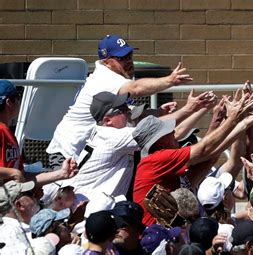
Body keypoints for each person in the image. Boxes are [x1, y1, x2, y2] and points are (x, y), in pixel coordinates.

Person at [46, 34, 193, 168]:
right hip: (67, 152)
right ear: (106, 62)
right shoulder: (104, 78)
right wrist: (170, 80)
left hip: (84, 152)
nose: (129, 60)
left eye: (129, 55)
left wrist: (159, 111)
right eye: (122, 58)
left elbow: (131, 114)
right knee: (67, 196)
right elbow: (135, 88)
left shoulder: (113, 79)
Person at [133, 93, 253, 226]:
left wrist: (224, 120)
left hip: (171, 237)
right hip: (155, 239)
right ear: (160, 141)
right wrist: (235, 120)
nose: (174, 132)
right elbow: (205, 149)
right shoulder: (156, 160)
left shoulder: (164, 167)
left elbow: (209, 155)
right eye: (168, 131)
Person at [0, 80, 78, 186]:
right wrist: (13, 172)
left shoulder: (7, 132)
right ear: (9, 102)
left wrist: (62, 173)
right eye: (18, 97)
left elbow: (24, 178)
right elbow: (16, 175)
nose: (20, 101)